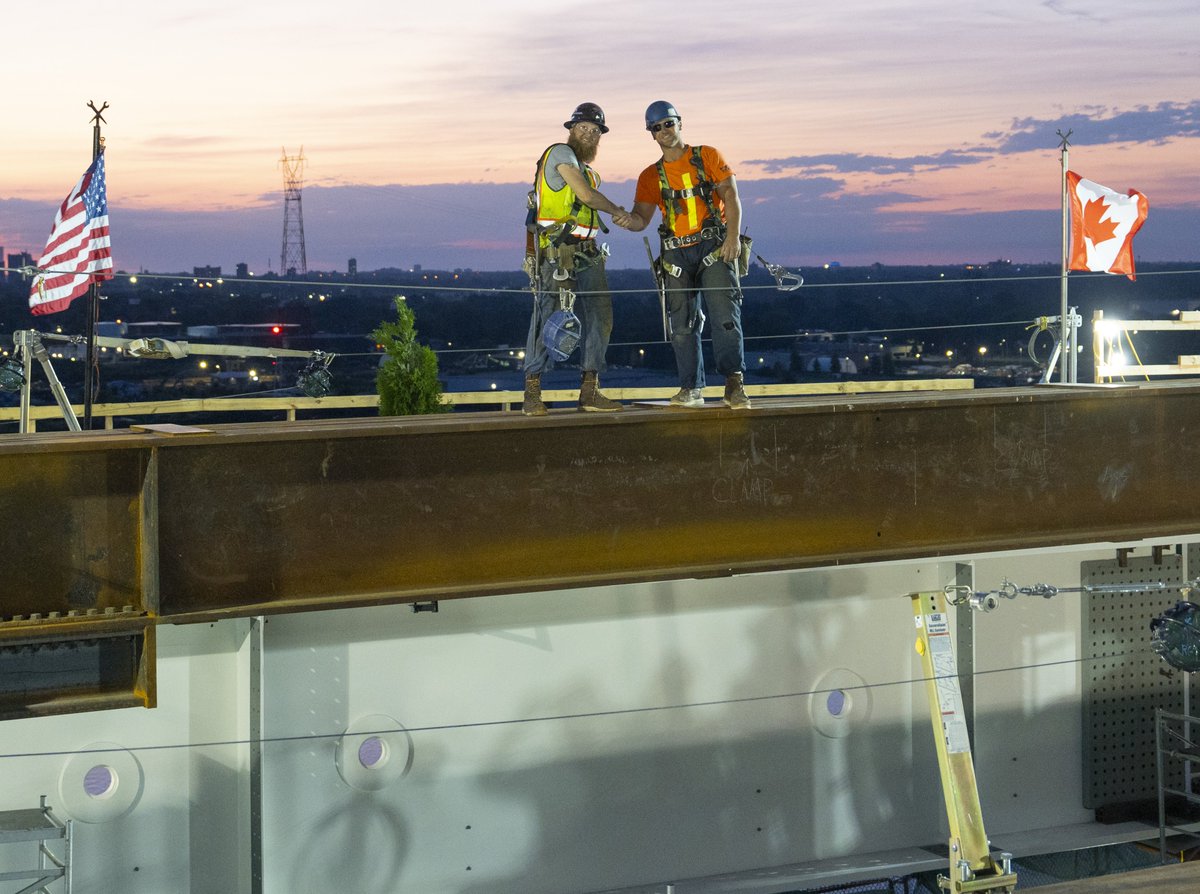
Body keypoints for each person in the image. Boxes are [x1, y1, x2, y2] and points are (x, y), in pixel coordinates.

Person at [622, 100, 750, 409]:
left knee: (725, 317)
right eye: (657, 127)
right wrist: (623, 218)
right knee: (681, 324)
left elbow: (730, 195)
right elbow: (641, 219)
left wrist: (732, 237)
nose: (664, 131)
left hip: (713, 247)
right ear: (651, 134)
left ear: (679, 122)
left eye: (668, 123)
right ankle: (690, 388)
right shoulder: (650, 176)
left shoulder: (707, 156)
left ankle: (734, 385)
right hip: (676, 255)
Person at [522, 102, 633, 416]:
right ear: (571, 129)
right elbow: (585, 196)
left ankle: (590, 391)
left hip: (589, 253)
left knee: (600, 317)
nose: (589, 134)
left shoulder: (587, 170)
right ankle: (532, 392)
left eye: (596, 131)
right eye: (583, 128)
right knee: (548, 318)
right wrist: (618, 211)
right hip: (558, 254)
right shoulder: (559, 154)